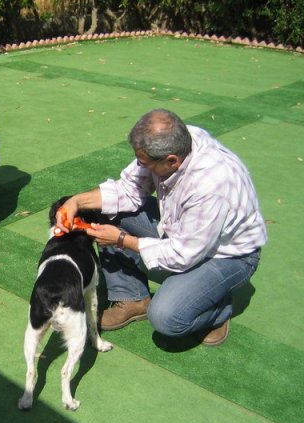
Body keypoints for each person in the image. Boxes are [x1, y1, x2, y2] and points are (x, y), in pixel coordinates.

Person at [57, 109, 267, 346]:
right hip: (183, 229)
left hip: (228, 256)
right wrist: (75, 201)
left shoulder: (211, 185)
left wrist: (122, 240)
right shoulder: (177, 141)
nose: (139, 165)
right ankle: (133, 297)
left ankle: (215, 305)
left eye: (143, 162)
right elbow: (128, 190)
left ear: (171, 161)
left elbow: (182, 254)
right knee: (102, 208)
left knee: (167, 318)